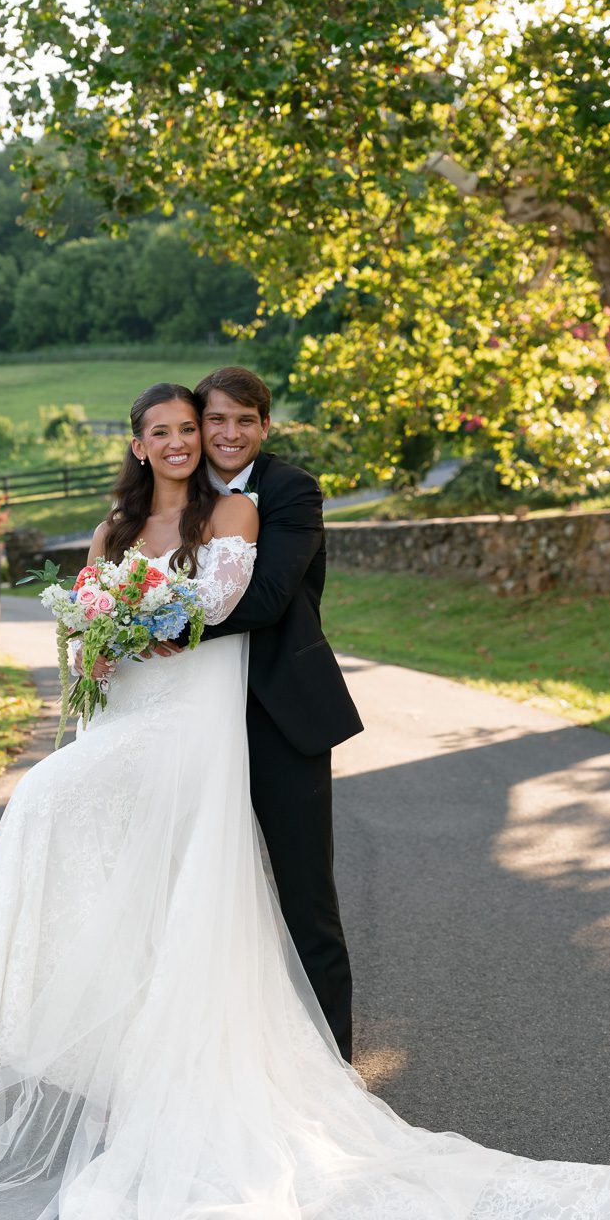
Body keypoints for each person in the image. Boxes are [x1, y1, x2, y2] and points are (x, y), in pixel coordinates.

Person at [0, 382, 610, 1220]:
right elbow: (87, 616)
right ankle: (122, 1063)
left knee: (293, 904)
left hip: (237, 714)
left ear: (251, 428)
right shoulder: (122, 516)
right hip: (142, 709)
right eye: (175, 428)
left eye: (212, 425)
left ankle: (319, 1076)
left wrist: (147, 617)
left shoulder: (265, 497)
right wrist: (107, 625)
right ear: (143, 442)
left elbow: (242, 604)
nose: (198, 439)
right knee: (118, 868)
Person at [193, 365, 361, 1061]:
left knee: (304, 900)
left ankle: (333, 1069)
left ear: (265, 426)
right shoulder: (175, 490)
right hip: (191, 719)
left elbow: (263, 603)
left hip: (280, 715)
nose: (229, 433)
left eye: (245, 420)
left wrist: (147, 626)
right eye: (217, 420)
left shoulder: (292, 489)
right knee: (196, 893)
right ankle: (212, 1062)